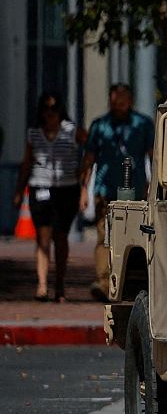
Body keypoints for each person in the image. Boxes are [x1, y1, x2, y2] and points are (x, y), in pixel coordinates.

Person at [82, 83, 156, 301]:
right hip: (105, 191)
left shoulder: (142, 124)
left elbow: (153, 156)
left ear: (130, 101)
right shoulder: (100, 126)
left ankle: (130, 282)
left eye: (122, 102)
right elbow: (89, 159)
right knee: (104, 237)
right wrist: (83, 192)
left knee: (135, 238)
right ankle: (104, 283)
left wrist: (154, 185)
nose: (117, 106)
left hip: (136, 193)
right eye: (114, 102)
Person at [11, 93, 87, 302]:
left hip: (66, 189)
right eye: (46, 108)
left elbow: (91, 148)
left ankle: (60, 285)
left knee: (61, 237)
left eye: (54, 108)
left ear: (60, 110)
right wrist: (19, 190)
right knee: (43, 238)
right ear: (41, 111)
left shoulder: (71, 131)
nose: (50, 113)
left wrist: (83, 181)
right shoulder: (34, 134)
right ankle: (42, 285)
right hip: (40, 188)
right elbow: (26, 164)